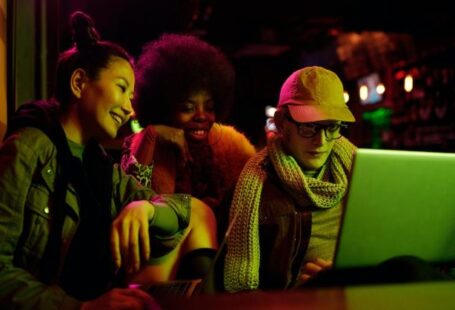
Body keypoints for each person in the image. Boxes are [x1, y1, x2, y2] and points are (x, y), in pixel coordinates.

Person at [0, 11, 204, 309]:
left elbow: (180, 214)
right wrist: (83, 308)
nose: (129, 109)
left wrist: (144, 207)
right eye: (121, 88)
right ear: (79, 82)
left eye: (131, 96)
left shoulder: (100, 165)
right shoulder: (28, 148)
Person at [121, 34, 256, 286]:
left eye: (209, 106)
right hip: (159, 269)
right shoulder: (145, 145)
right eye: (188, 107)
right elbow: (133, 202)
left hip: (224, 269)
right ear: (165, 108)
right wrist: (151, 137)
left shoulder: (232, 146)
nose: (202, 116)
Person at [223, 66, 357, 292]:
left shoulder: (358, 172)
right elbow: (245, 289)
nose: (321, 141)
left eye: (331, 126)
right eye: (309, 127)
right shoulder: (254, 186)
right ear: (282, 121)